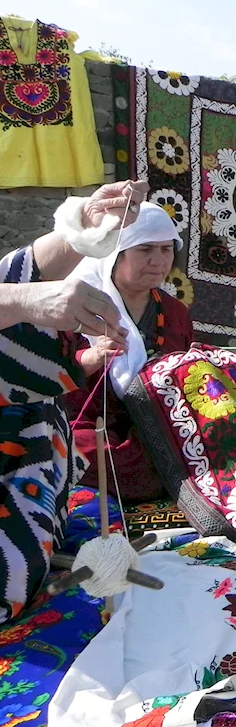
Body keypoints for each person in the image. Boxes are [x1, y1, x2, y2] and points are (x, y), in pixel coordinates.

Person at [0, 178, 148, 624]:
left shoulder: (170, 307)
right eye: (146, 251)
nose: (158, 262)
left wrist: (84, 229)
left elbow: (16, 276)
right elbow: (20, 294)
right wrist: (24, 302)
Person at [65, 203, 193, 501]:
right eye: (145, 249)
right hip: (88, 424)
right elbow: (51, 375)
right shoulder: (76, 306)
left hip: (156, 424)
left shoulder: (174, 312)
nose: (158, 261)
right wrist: (91, 359)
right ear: (116, 254)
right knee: (76, 449)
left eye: (166, 250)